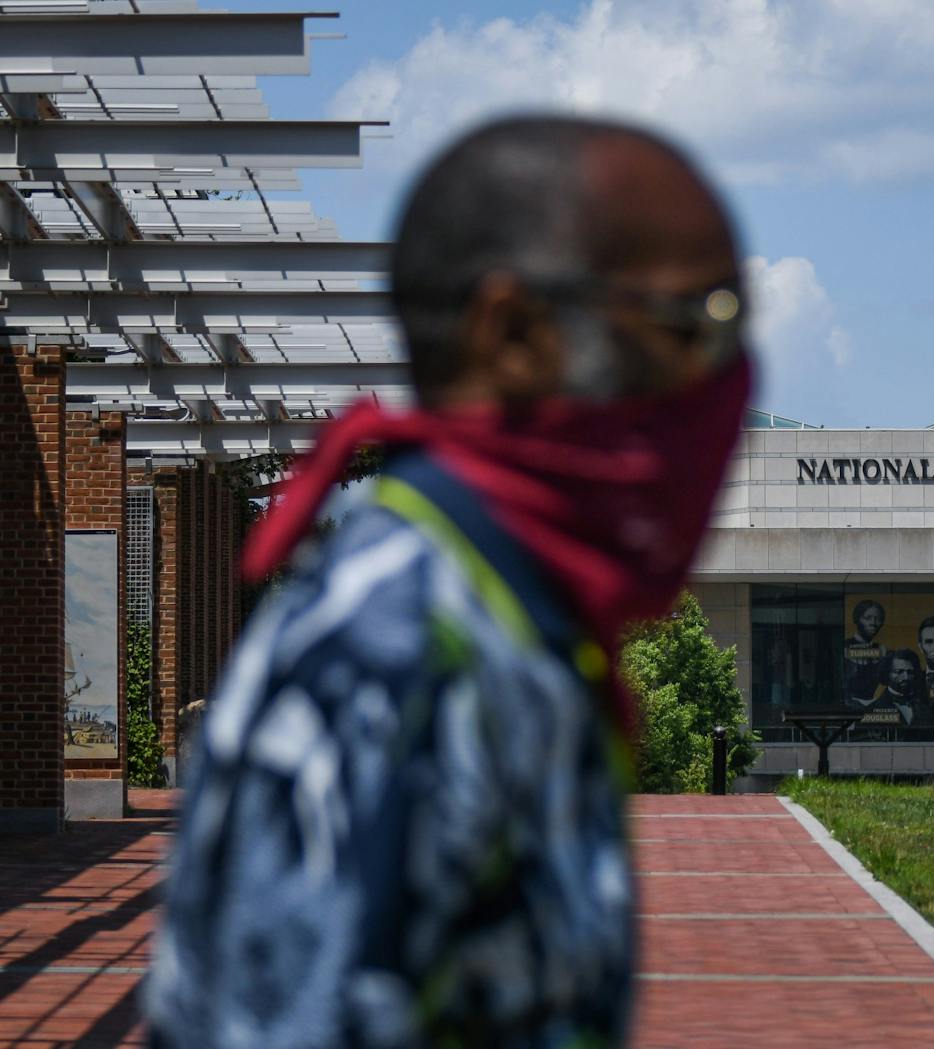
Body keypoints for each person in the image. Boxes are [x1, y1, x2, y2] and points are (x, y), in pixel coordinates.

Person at [144, 117, 752, 1049]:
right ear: (514, 334)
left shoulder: (504, 615)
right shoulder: (393, 656)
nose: (730, 380)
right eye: (692, 325)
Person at [842, 598, 887, 705]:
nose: (873, 623)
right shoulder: (844, 647)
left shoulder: (882, 650)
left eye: (878, 619)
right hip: (848, 707)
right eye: (868, 618)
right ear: (857, 619)